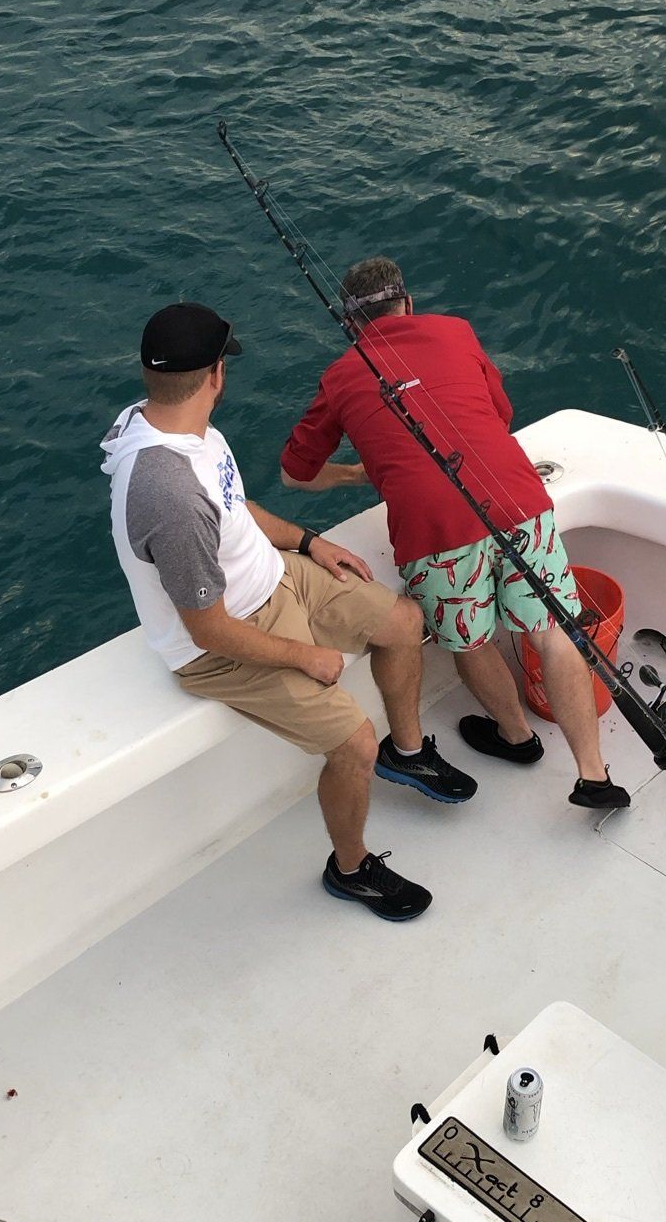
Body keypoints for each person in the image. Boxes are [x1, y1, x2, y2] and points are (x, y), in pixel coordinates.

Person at [103, 302, 477, 923]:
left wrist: (310, 542)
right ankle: (351, 870)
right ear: (217, 375)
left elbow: (233, 506)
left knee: (404, 623)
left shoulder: (175, 425)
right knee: (354, 743)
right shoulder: (167, 494)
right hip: (224, 644)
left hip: (277, 579)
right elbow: (208, 627)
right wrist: (305, 655)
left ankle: (407, 754)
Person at [279, 258, 630, 812]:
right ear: (408, 304)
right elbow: (499, 412)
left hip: (435, 534)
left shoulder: (341, 375)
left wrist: (354, 473)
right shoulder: (456, 330)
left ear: (350, 325)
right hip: (517, 500)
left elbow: (294, 474)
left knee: (470, 640)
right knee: (553, 631)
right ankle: (594, 775)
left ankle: (516, 738)